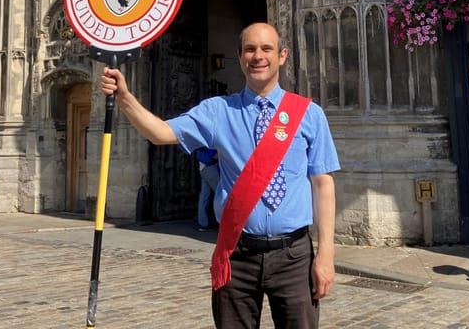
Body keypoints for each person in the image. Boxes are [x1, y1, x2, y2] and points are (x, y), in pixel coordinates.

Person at [101, 22, 339, 328]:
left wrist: (326, 255)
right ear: (239, 57)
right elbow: (161, 133)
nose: (258, 56)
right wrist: (124, 97)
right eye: (250, 49)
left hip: (293, 257)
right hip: (237, 256)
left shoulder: (309, 114)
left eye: (266, 49)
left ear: (282, 56)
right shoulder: (218, 111)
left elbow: (323, 185)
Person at [196, 147, 219, 231]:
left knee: (204, 196)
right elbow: (214, 155)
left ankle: (203, 223)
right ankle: (221, 222)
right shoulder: (210, 142)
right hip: (210, 168)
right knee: (220, 194)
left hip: (203, 168)